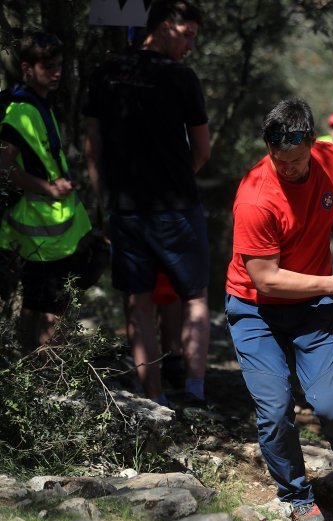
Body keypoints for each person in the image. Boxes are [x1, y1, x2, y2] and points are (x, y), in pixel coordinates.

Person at [225, 97, 333, 521]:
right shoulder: (255, 198)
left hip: (310, 308)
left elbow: (332, 197)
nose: (286, 167)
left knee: (331, 404)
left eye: (294, 159)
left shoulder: (327, 156)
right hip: (256, 312)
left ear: (311, 142)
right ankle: (295, 494)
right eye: (277, 159)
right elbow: (266, 280)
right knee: (274, 410)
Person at [83, 0, 211, 408]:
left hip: (125, 207)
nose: (190, 45)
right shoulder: (181, 77)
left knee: (137, 300)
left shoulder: (105, 73)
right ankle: (194, 393)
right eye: (187, 34)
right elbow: (202, 149)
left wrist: (103, 199)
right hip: (176, 206)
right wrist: (176, 176)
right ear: (165, 27)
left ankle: (152, 396)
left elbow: (93, 146)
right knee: (194, 297)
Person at [0, 32, 93, 351]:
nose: (56, 72)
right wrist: (47, 188)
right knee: (48, 305)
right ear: (27, 67)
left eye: (59, 65)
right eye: (48, 65)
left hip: (54, 229)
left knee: (45, 301)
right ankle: (44, 376)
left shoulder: (40, 104)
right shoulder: (19, 110)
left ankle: (39, 375)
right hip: (40, 229)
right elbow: (4, 165)